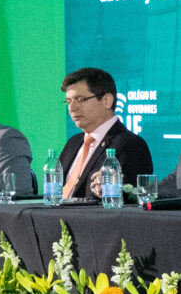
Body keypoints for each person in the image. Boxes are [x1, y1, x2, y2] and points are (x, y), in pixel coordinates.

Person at [57, 68, 152, 199]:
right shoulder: (73, 143)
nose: (72, 108)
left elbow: (127, 197)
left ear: (107, 101)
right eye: (68, 101)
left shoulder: (130, 145)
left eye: (80, 99)